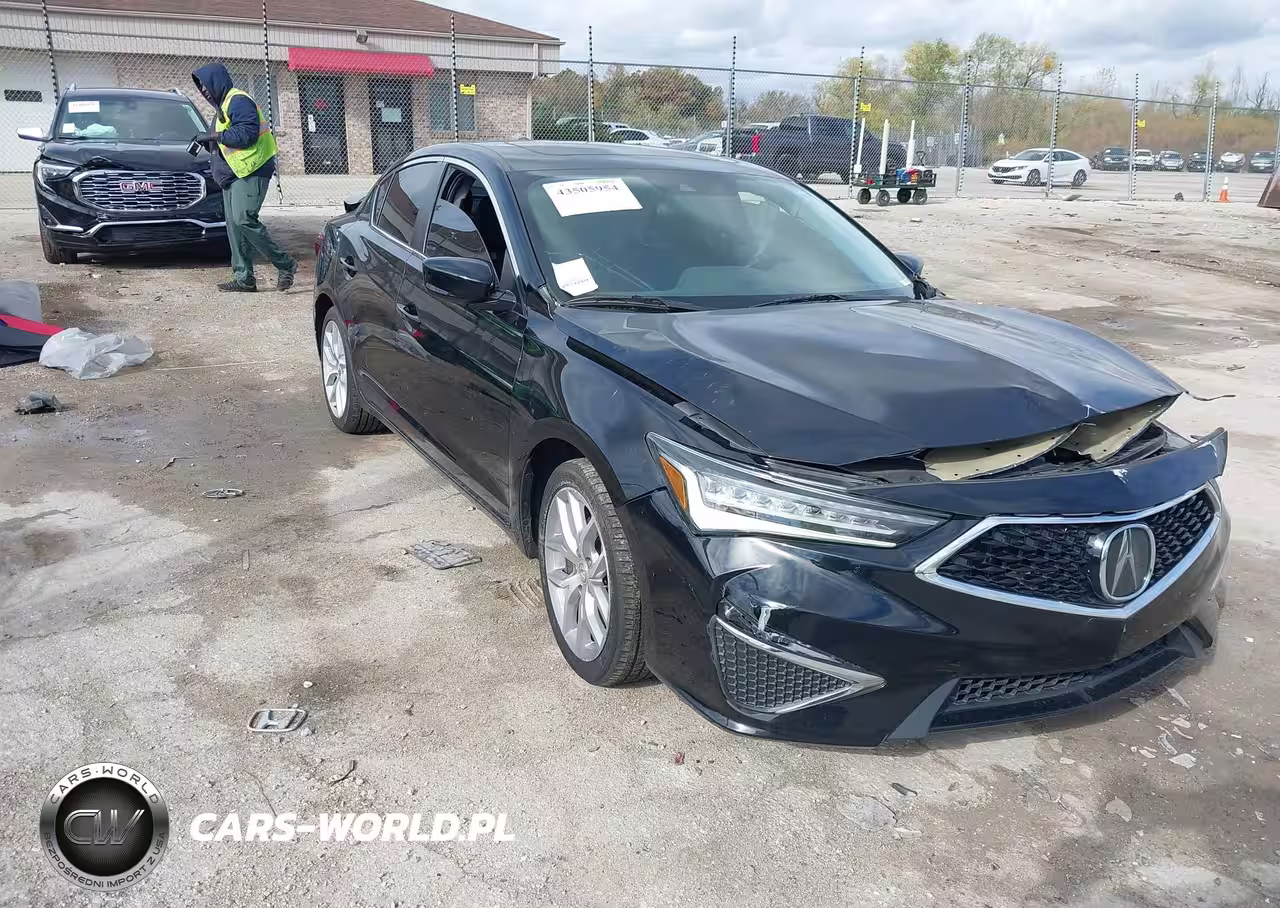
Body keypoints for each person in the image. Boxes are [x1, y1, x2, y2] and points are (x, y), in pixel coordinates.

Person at [192, 63, 296, 293]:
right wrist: (207, 141)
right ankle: (244, 279)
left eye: (206, 85)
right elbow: (225, 140)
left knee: (243, 219)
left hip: (251, 170)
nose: (204, 91)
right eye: (201, 88)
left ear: (217, 81)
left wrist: (214, 136)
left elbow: (246, 134)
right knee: (234, 228)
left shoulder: (238, 100)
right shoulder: (222, 107)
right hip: (232, 174)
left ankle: (285, 264)